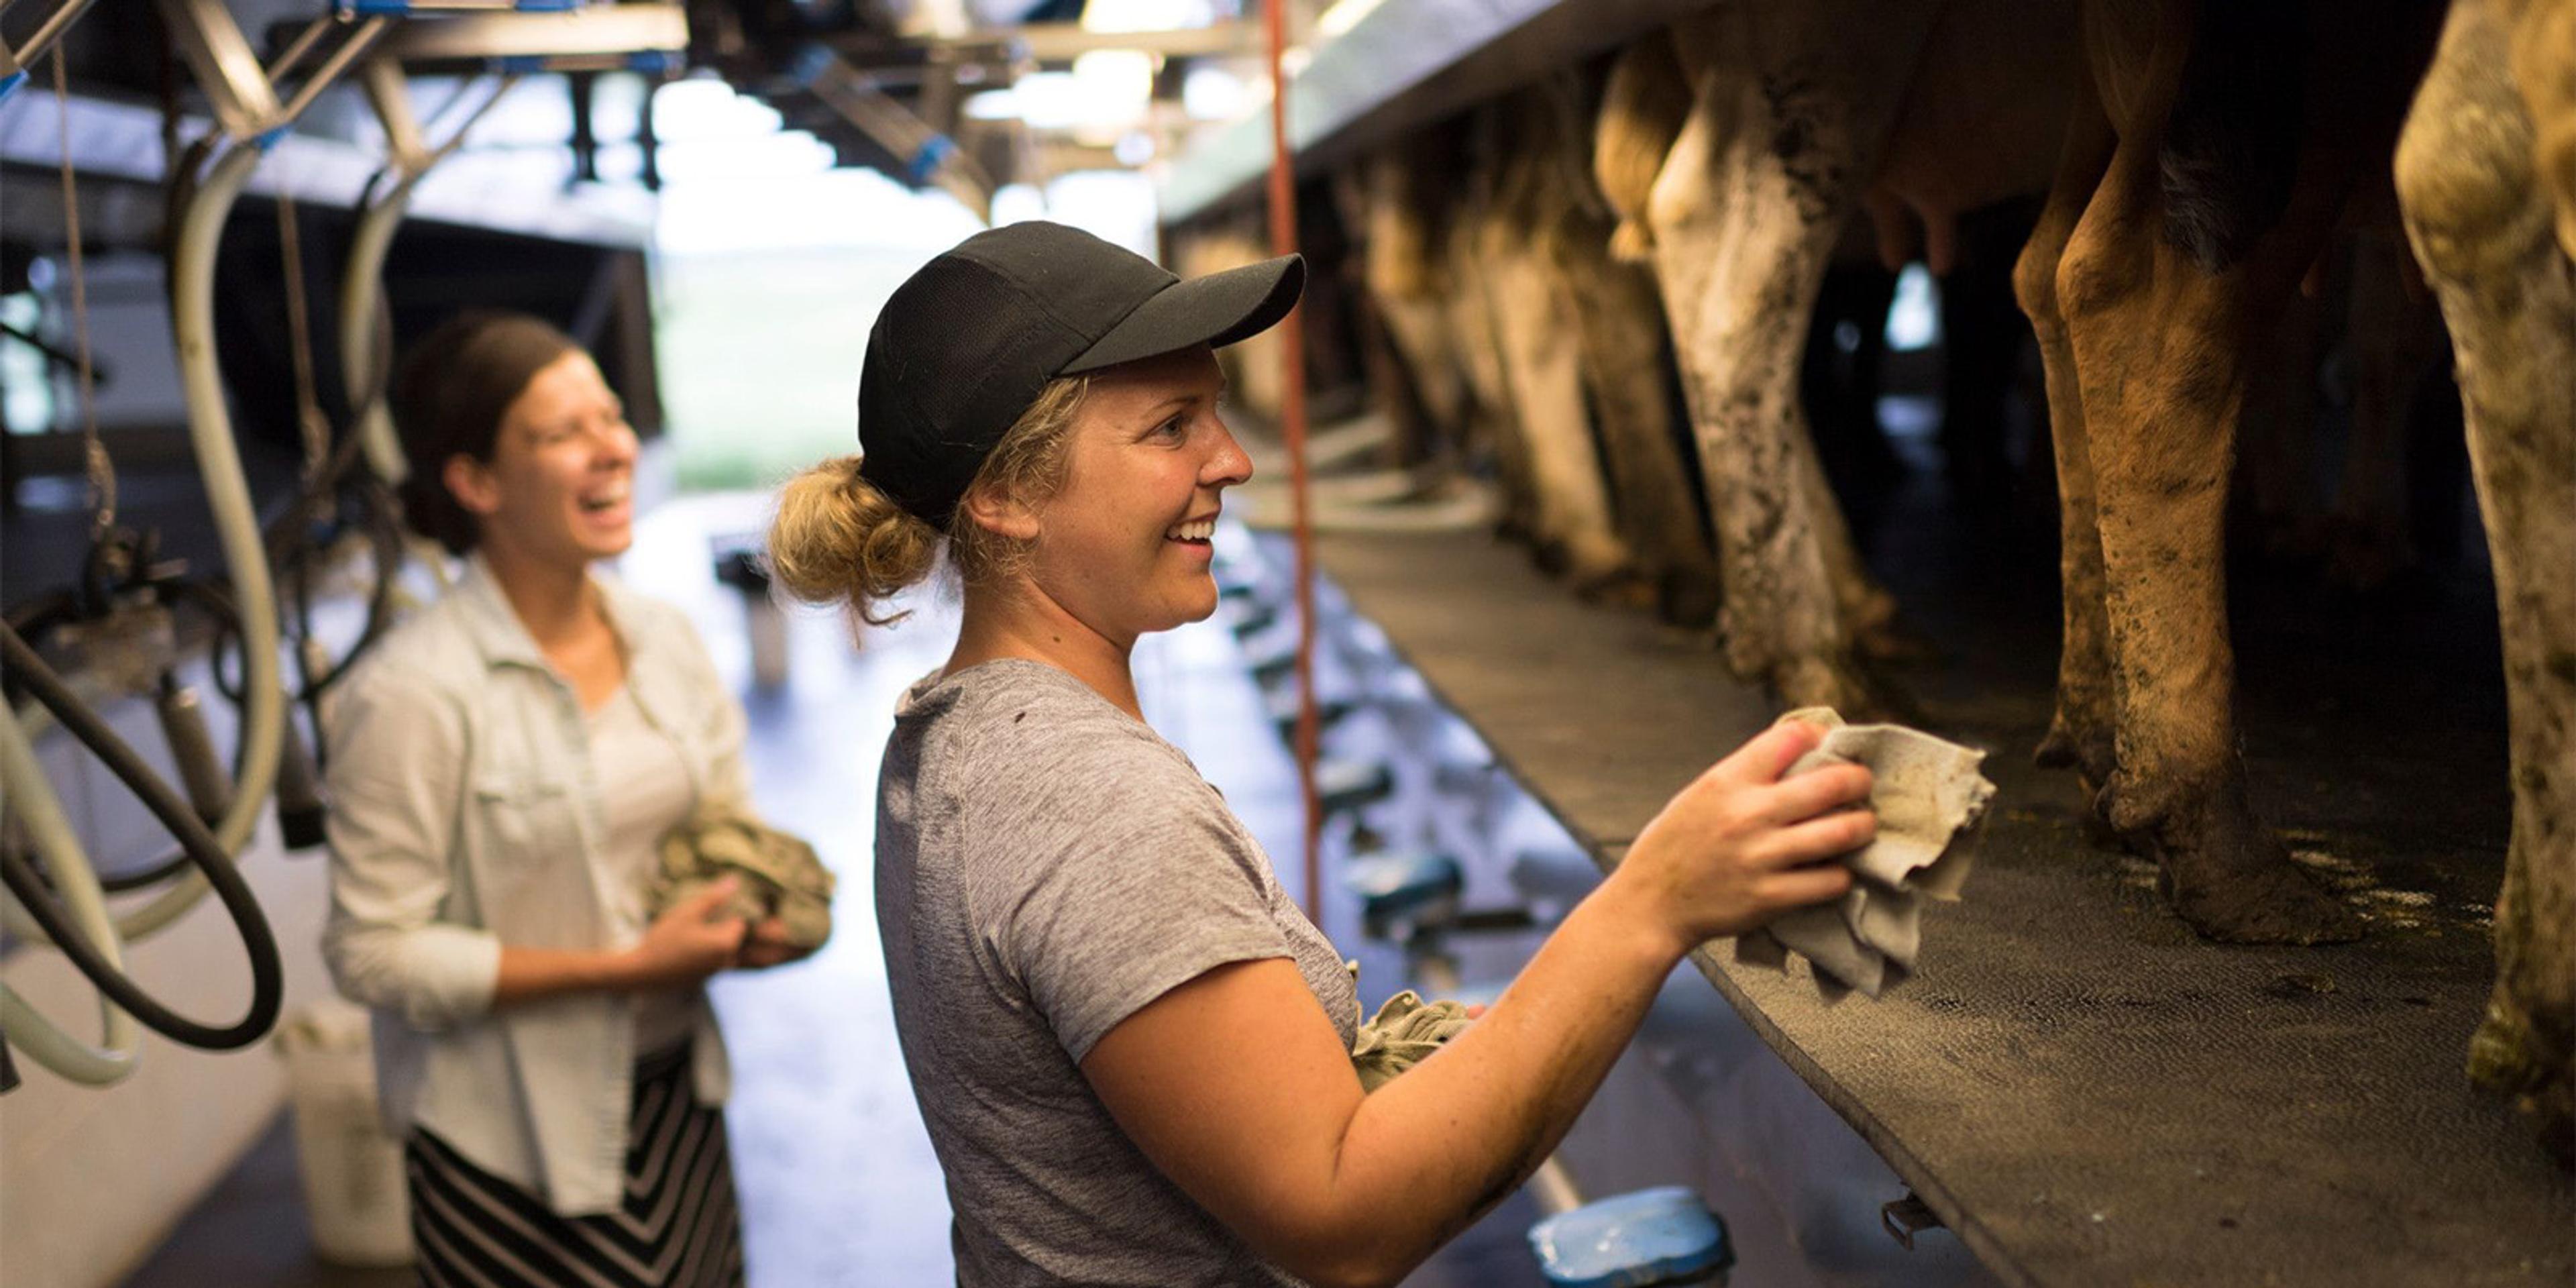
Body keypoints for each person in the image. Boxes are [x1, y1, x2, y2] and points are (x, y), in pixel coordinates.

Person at [766, 222, 1874, 1288]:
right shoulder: (1089, 804)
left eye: (1218, 414)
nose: (1234, 460)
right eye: (1171, 427)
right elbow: (1345, 1218)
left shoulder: (953, 734)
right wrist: (1650, 908)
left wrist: (1484, 1048)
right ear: (1005, 498)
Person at [323, 311, 809, 1288]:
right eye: (562, 433)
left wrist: (763, 917)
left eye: (612, 417)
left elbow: (727, 831)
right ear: (475, 483)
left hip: (676, 1100)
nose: (613, 448)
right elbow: (372, 951)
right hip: (502, 1139)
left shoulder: (664, 637)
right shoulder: (414, 692)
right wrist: (619, 966)